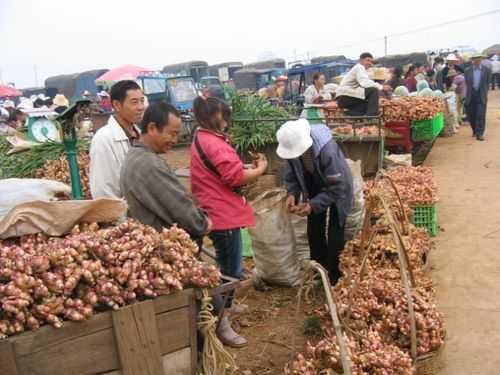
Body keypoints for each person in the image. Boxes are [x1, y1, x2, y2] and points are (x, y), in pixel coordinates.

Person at [120, 101, 246, 348]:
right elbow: (181, 208)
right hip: (166, 249)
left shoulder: (137, 157)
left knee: (205, 292)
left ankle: (214, 330)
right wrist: (202, 222)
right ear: (153, 128)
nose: (175, 139)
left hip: (158, 244)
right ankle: (212, 337)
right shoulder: (149, 165)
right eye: (173, 133)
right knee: (203, 291)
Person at [190, 96, 268, 319]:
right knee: (230, 269)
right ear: (217, 116)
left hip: (212, 207)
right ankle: (222, 313)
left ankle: (228, 305)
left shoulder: (201, 136)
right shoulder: (214, 143)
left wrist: (242, 166)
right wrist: (261, 169)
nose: (227, 123)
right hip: (222, 213)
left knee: (227, 263)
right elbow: (235, 178)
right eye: (225, 118)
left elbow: (224, 169)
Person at [276, 119, 353, 283]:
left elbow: (337, 187)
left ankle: (335, 278)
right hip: (314, 183)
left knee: (335, 234)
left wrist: (313, 205)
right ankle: (320, 271)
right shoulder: (293, 149)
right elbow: (291, 173)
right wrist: (292, 194)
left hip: (337, 187)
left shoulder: (328, 151)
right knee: (314, 231)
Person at [89, 80, 145, 199]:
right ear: (117, 105)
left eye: (142, 101)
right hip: (123, 214)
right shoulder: (103, 139)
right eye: (134, 102)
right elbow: (102, 190)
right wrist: (122, 217)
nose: (140, 107)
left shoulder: (140, 134)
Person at [464, 54, 492, 141]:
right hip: (471, 95)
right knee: (472, 115)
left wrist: (484, 92)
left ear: (481, 59)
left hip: (481, 95)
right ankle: (475, 130)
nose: (477, 60)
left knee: (481, 114)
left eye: (479, 58)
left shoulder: (486, 70)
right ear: (472, 60)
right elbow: (467, 83)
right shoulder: (467, 70)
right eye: (475, 59)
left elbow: (488, 82)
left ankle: (480, 134)